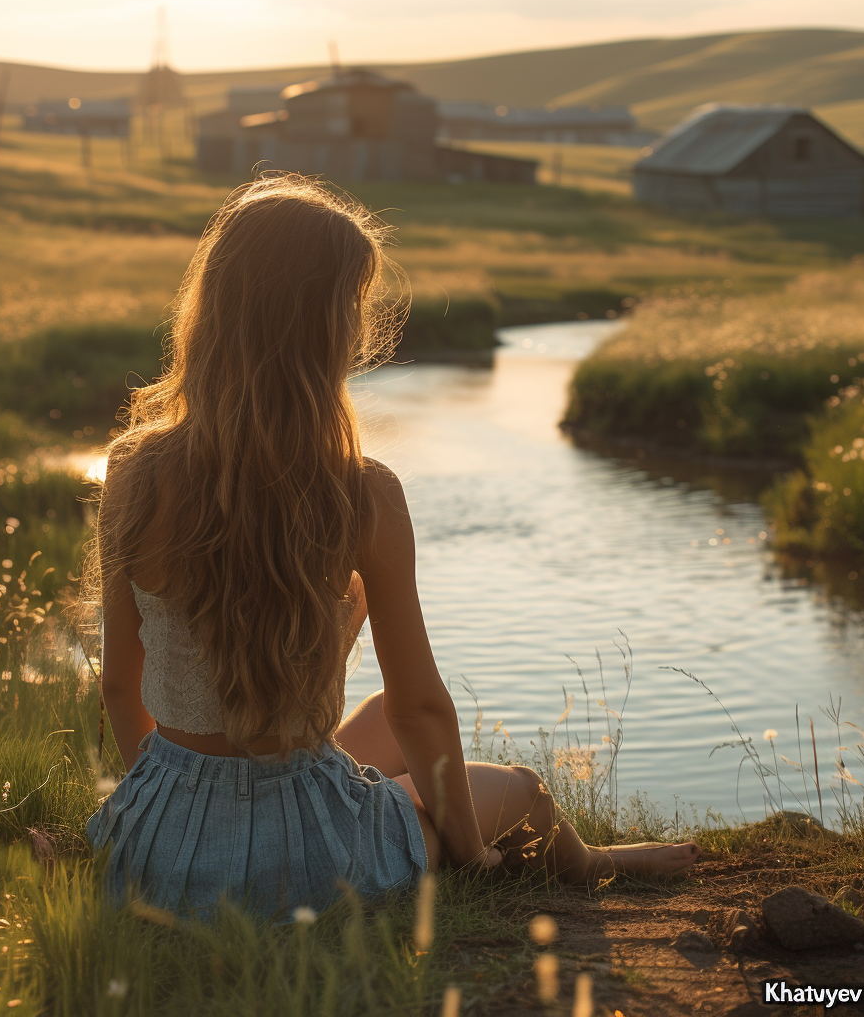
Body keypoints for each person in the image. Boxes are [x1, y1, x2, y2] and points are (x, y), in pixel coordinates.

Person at [85, 174, 700, 923]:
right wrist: (469, 853)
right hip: (315, 868)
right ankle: (590, 861)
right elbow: (423, 710)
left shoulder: (131, 469)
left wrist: (168, 815)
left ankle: (192, 831)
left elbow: (122, 684)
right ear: (324, 327)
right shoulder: (361, 493)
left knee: (370, 713)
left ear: (211, 312)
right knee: (525, 791)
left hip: (154, 848)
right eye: (352, 304)